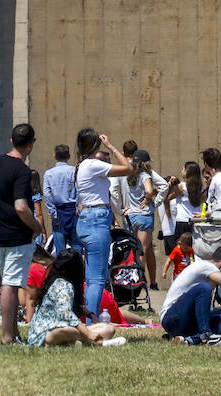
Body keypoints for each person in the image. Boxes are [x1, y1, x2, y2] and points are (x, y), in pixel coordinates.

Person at [0, 123, 47, 345]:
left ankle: (13, 334)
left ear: (11, 140)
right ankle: (8, 336)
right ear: (31, 144)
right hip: (16, 235)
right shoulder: (21, 170)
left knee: (7, 282)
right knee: (11, 284)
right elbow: (21, 206)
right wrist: (36, 227)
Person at [74, 128, 133, 318]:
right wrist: (111, 147)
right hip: (97, 220)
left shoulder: (82, 165)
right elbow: (128, 168)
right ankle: (92, 321)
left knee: (91, 278)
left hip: (85, 220)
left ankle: (88, 318)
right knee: (97, 279)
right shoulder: (92, 165)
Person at [26, 249, 124, 347]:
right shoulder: (63, 285)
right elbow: (65, 313)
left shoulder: (60, 282)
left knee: (108, 328)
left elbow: (69, 305)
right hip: (45, 334)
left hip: (63, 328)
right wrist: (87, 333)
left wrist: (91, 315)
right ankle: (99, 342)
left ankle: (77, 340)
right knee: (65, 330)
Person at [122, 151, 159, 286]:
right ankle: (140, 280)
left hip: (132, 216)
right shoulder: (144, 176)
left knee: (133, 249)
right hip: (144, 215)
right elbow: (149, 191)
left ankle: (131, 278)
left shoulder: (130, 176)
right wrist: (148, 198)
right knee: (142, 249)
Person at [42, 144, 78, 255]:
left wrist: (53, 212)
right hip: (73, 211)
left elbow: (47, 194)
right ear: (69, 156)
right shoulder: (74, 171)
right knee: (77, 248)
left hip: (58, 210)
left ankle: (62, 272)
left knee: (60, 251)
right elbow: (80, 190)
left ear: (54, 156)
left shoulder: (49, 173)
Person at [163, 162, 204, 254]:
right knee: (193, 251)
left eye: (183, 169)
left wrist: (170, 184)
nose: (182, 171)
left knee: (181, 252)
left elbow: (166, 198)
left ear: (187, 172)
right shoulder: (201, 188)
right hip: (195, 222)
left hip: (182, 222)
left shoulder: (182, 186)